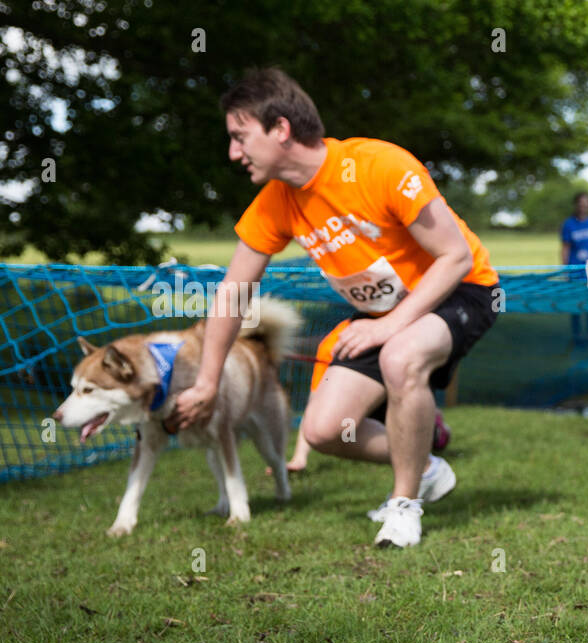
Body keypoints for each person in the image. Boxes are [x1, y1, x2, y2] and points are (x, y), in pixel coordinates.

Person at [171, 67, 500, 548]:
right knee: (326, 431)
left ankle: (404, 506)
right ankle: (426, 468)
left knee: (400, 356)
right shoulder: (275, 202)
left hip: (462, 288)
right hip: (383, 314)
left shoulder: (380, 165)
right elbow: (233, 293)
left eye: (240, 137)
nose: (233, 153)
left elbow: (456, 257)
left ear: (280, 129)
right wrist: (207, 380)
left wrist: (388, 326)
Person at [273, 318, 451, 473]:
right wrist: (299, 457)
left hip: (396, 388)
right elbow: (315, 403)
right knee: (344, 429)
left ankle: (432, 426)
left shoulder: (395, 333)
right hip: (366, 405)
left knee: (431, 437)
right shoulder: (329, 347)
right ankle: (413, 450)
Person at [561, 192, 588, 344]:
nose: (583, 206)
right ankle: (577, 336)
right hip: (575, 271)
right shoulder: (569, 224)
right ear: (576, 205)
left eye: (586, 203)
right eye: (581, 203)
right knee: (576, 304)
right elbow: (565, 248)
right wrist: (565, 269)